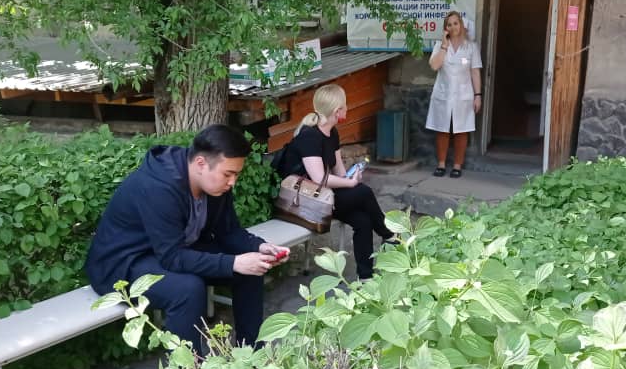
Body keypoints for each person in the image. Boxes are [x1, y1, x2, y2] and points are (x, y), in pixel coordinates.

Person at [85, 124, 289, 351]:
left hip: (171, 249)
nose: (232, 182)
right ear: (201, 163)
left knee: (251, 269)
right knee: (188, 289)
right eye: (228, 174)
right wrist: (233, 262)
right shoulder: (159, 187)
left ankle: (252, 352)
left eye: (236, 174)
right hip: (122, 264)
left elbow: (229, 231)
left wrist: (259, 247)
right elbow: (172, 257)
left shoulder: (214, 184)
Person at [279, 84, 394, 280]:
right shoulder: (309, 136)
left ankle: (365, 277)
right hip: (302, 202)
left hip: (322, 197)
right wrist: (350, 184)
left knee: (363, 220)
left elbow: (339, 171)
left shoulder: (332, 133)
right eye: (345, 105)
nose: (347, 108)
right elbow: (319, 179)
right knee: (363, 192)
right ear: (337, 111)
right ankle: (389, 235)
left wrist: (350, 177)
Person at [425, 10, 483, 178]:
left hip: (464, 95)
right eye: (449, 25)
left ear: (461, 25)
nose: (453, 27)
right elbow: (434, 66)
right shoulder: (440, 45)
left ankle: (457, 165)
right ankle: (441, 164)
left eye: (455, 23)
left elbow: (475, 72)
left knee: (461, 130)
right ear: (446, 28)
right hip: (443, 94)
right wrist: (444, 46)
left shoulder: (471, 47)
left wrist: (478, 95)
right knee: (442, 128)